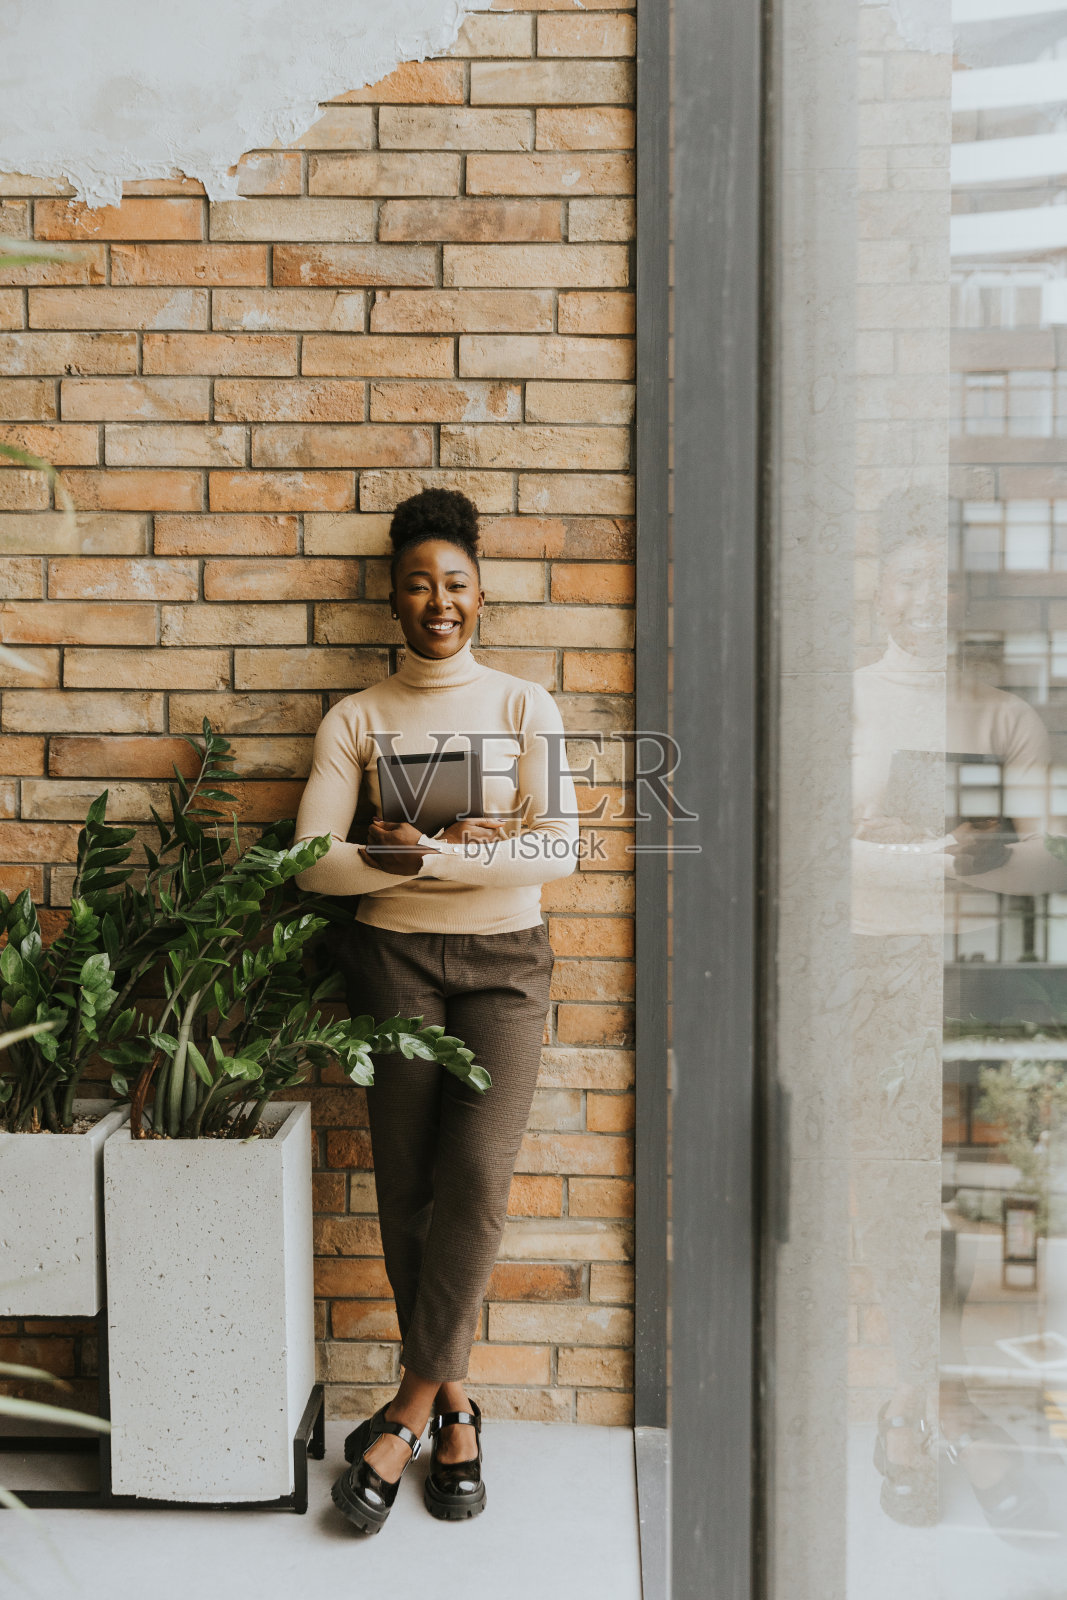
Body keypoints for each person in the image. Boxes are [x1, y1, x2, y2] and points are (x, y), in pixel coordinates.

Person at [292, 488, 580, 1534]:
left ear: (481, 596)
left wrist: (421, 854)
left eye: (454, 582)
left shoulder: (523, 705)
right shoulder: (356, 718)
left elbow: (558, 848)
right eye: (417, 583)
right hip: (391, 962)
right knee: (408, 1182)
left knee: (476, 1178)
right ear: (392, 599)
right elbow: (311, 862)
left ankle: (408, 1410)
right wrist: (423, 854)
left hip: (507, 963)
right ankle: (458, 1411)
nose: (437, 600)